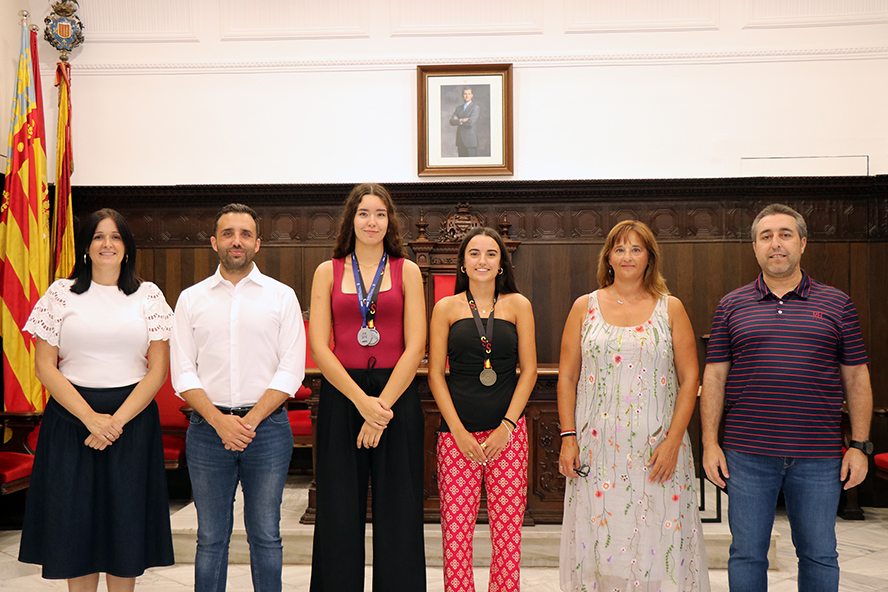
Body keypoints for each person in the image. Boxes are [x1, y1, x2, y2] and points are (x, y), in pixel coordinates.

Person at [700, 203, 873, 592]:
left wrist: (860, 445)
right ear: (755, 248)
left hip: (819, 456)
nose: (775, 244)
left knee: (819, 553)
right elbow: (714, 376)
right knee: (746, 553)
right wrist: (710, 444)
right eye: (766, 236)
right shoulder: (731, 304)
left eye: (785, 234)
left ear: (803, 243)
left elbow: (857, 377)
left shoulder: (837, 303)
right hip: (746, 454)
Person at [18, 208, 174, 592]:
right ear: (86, 247)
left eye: (116, 237)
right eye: (99, 237)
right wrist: (91, 419)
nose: (108, 244)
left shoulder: (148, 295)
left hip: (132, 423)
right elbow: (45, 367)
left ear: (127, 247)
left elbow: (156, 372)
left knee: (126, 527)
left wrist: (114, 422)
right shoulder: (60, 293)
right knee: (75, 530)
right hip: (71, 421)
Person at [557, 220, 710, 592]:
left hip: (658, 450)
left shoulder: (670, 308)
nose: (627, 256)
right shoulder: (584, 306)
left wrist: (674, 441)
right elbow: (567, 378)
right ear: (608, 256)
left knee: (657, 542)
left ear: (649, 258)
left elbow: (691, 378)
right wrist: (568, 437)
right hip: (597, 449)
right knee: (601, 537)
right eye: (620, 248)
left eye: (636, 249)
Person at [170, 203, 306, 592]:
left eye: (245, 234)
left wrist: (248, 422)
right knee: (210, 538)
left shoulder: (281, 297)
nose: (237, 241)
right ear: (214, 242)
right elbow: (182, 372)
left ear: (258, 244)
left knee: (266, 534)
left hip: (267, 432)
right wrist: (219, 421)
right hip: (207, 432)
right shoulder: (191, 299)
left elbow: (291, 369)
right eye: (228, 233)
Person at [308, 183, 426, 591]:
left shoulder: (406, 269)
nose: (371, 221)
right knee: (338, 511)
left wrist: (381, 409)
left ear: (389, 220)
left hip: (396, 394)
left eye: (379, 213)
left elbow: (417, 347)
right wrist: (362, 404)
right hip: (344, 395)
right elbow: (320, 348)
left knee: (400, 511)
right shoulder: (328, 270)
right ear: (351, 220)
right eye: (363, 213)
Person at [428, 226, 537, 592]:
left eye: (491, 254)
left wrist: (507, 425)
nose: (482, 261)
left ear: (502, 263)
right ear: (462, 262)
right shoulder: (446, 307)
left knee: (508, 538)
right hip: (456, 438)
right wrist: (457, 431)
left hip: (508, 436)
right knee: (456, 539)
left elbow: (530, 371)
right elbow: (435, 375)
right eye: (474, 253)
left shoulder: (519, 305)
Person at [450, 86, 481, 157]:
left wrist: (458, 120)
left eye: (469, 94)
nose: (467, 96)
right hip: (460, 140)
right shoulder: (458, 108)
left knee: (472, 165)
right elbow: (451, 121)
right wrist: (462, 120)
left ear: (472, 95)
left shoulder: (475, 107)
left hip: (470, 141)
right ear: (462, 95)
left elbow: (470, 122)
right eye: (465, 94)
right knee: (462, 164)